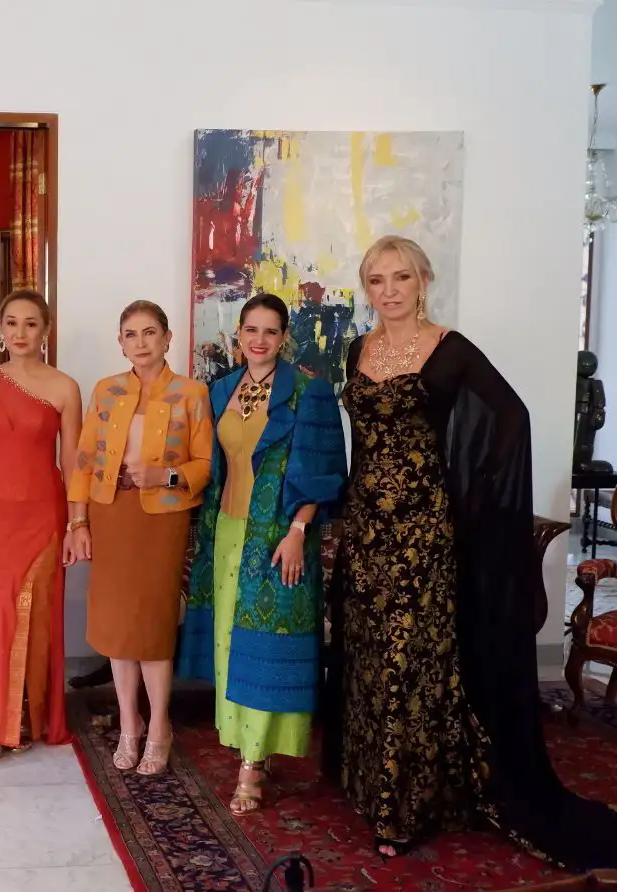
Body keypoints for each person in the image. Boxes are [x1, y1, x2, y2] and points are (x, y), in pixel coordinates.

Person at [322, 235, 617, 867]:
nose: (390, 290)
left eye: (402, 277)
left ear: (423, 281)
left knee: (410, 662)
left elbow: (511, 417)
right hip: (367, 533)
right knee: (371, 657)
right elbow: (365, 445)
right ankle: (371, 783)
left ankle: (405, 807)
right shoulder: (357, 350)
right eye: (377, 280)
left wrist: (472, 494)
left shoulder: (449, 349)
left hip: (422, 535)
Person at [177, 293, 346, 815]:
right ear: (238, 334)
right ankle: (252, 747)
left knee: (268, 645)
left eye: (271, 331)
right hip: (227, 533)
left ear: (284, 337)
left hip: (279, 536)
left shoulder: (309, 393)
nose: (259, 340)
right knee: (232, 644)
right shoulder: (221, 389)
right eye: (251, 329)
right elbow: (211, 464)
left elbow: (323, 471)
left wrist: (298, 530)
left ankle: (252, 766)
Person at [69, 300, 213, 775]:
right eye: (131, 334)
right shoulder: (106, 390)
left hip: (162, 520)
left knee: (152, 628)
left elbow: (204, 464)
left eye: (150, 332)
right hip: (112, 515)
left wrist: (165, 476)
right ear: (121, 343)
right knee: (117, 629)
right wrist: (78, 522)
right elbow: (84, 461)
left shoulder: (191, 393)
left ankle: (159, 728)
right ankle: (130, 725)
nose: (141, 342)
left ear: (167, 338)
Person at [0, 289, 81, 769]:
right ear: (0, 329)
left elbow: (74, 462)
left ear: (45, 331)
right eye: (11, 323)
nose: (20, 332)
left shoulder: (65, 387)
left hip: (43, 514)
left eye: (30, 323)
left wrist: (78, 522)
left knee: (35, 613)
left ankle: (27, 716)